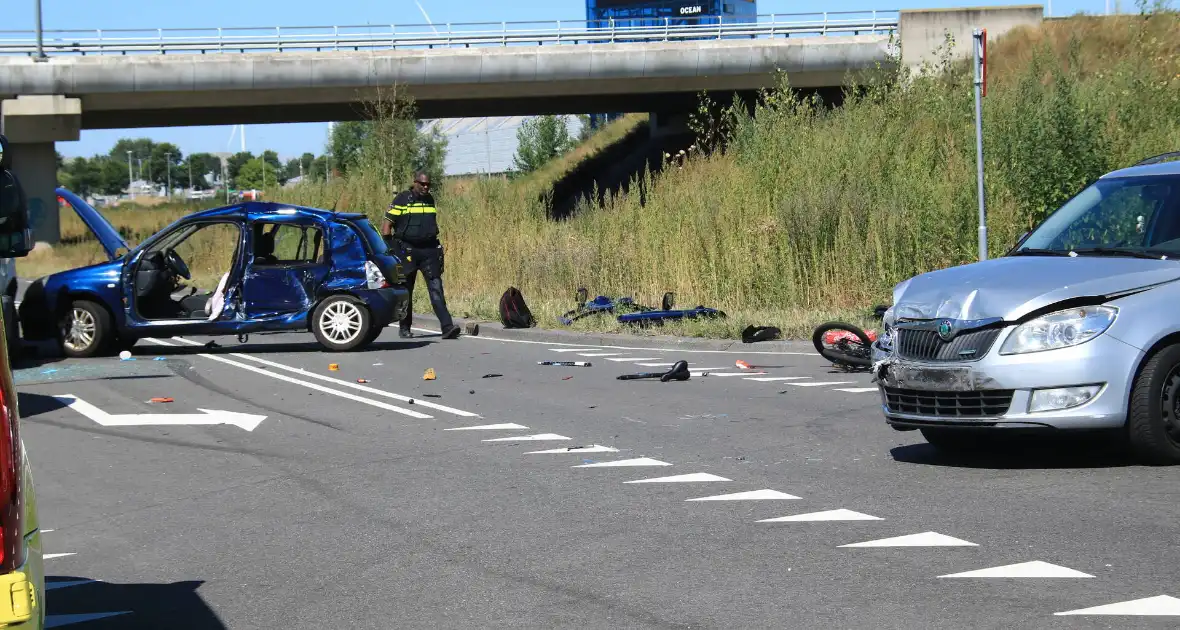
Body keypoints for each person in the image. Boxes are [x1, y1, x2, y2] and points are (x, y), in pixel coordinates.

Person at [382, 171, 460, 339]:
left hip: (429, 251)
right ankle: (404, 328)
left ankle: (447, 327)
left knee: (436, 288)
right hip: (407, 251)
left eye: (428, 184)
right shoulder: (402, 199)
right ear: (415, 182)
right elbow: (386, 227)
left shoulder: (430, 200)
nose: (426, 187)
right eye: (422, 184)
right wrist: (393, 249)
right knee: (406, 291)